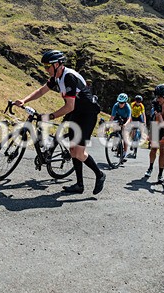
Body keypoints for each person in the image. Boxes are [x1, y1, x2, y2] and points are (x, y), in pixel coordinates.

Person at [13, 50, 106, 195]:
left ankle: (100, 175)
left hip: (87, 114)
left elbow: (69, 106)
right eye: (44, 66)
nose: (46, 69)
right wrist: (24, 100)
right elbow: (41, 91)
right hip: (75, 112)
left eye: (47, 66)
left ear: (57, 64)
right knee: (72, 150)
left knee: (79, 153)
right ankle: (79, 185)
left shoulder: (68, 77)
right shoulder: (56, 76)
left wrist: (50, 116)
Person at [110, 93, 132, 159]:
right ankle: (116, 141)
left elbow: (129, 119)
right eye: (119, 102)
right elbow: (112, 117)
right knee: (115, 126)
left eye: (122, 103)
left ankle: (124, 153)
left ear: (125, 102)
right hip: (118, 117)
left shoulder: (128, 107)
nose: (120, 104)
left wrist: (125, 124)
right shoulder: (116, 105)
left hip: (126, 119)